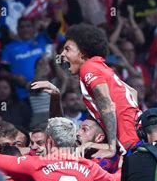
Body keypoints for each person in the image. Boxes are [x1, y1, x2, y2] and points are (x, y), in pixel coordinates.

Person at [34, 23, 141, 157]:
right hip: (135, 140)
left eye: (67, 49)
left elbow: (105, 102)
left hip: (130, 145)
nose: (62, 54)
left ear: (82, 53)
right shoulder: (101, 67)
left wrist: (112, 146)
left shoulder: (88, 67)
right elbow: (132, 93)